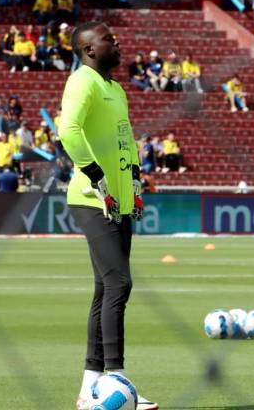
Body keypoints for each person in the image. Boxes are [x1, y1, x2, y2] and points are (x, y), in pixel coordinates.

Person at [58, 22, 156, 410]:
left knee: (105, 289)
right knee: (119, 283)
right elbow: (68, 130)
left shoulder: (114, 88)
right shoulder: (83, 81)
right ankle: (117, 381)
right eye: (107, 39)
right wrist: (95, 175)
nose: (116, 42)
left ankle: (89, 389)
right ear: (87, 49)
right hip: (91, 198)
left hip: (118, 201)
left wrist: (133, 182)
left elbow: (125, 139)